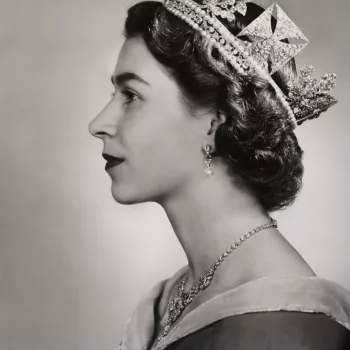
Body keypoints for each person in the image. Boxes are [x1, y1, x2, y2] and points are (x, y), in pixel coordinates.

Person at [88, 0, 350, 349]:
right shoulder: (174, 296)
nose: (98, 125)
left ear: (215, 122)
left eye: (131, 96)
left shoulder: (282, 325)